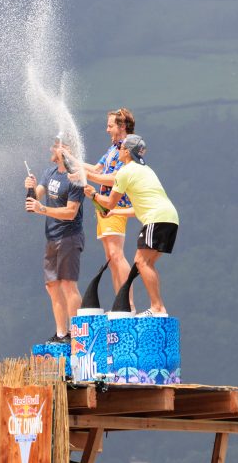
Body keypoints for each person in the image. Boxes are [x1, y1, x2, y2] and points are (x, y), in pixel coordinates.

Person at [85, 134, 179, 317]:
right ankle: (158, 308)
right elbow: (136, 209)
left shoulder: (125, 172)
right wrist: (114, 213)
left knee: (141, 261)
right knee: (147, 263)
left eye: (121, 148)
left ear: (127, 152)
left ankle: (157, 308)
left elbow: (109, 202)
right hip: (170, 218)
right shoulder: (146, 170)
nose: (119, 150)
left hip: (156, 218)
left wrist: (93, 195)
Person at [24, 136, 85, 343]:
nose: (52, 149)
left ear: (68, 151)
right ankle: (61, 334)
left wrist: (42, 209)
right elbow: (35, 199)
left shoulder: (75, 177)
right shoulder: (49, 173)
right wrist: (30, 188)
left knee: (68, 284)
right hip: (51, 236)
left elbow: (70, 212)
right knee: (52, 285)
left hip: (69, 236)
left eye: (57, 146)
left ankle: (77, 335)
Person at [78, 108, 135, 309]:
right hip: (102, 205)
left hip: (116, 205)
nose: (107, 129)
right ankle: (121, 303)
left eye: (110, 126)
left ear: (122, 126)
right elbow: (96, 169)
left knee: (116, 254)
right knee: (110, 257)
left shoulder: (128, 148)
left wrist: (87, 177)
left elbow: (115, 179)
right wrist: (71, 160)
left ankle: (129, 304)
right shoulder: (113, 148)